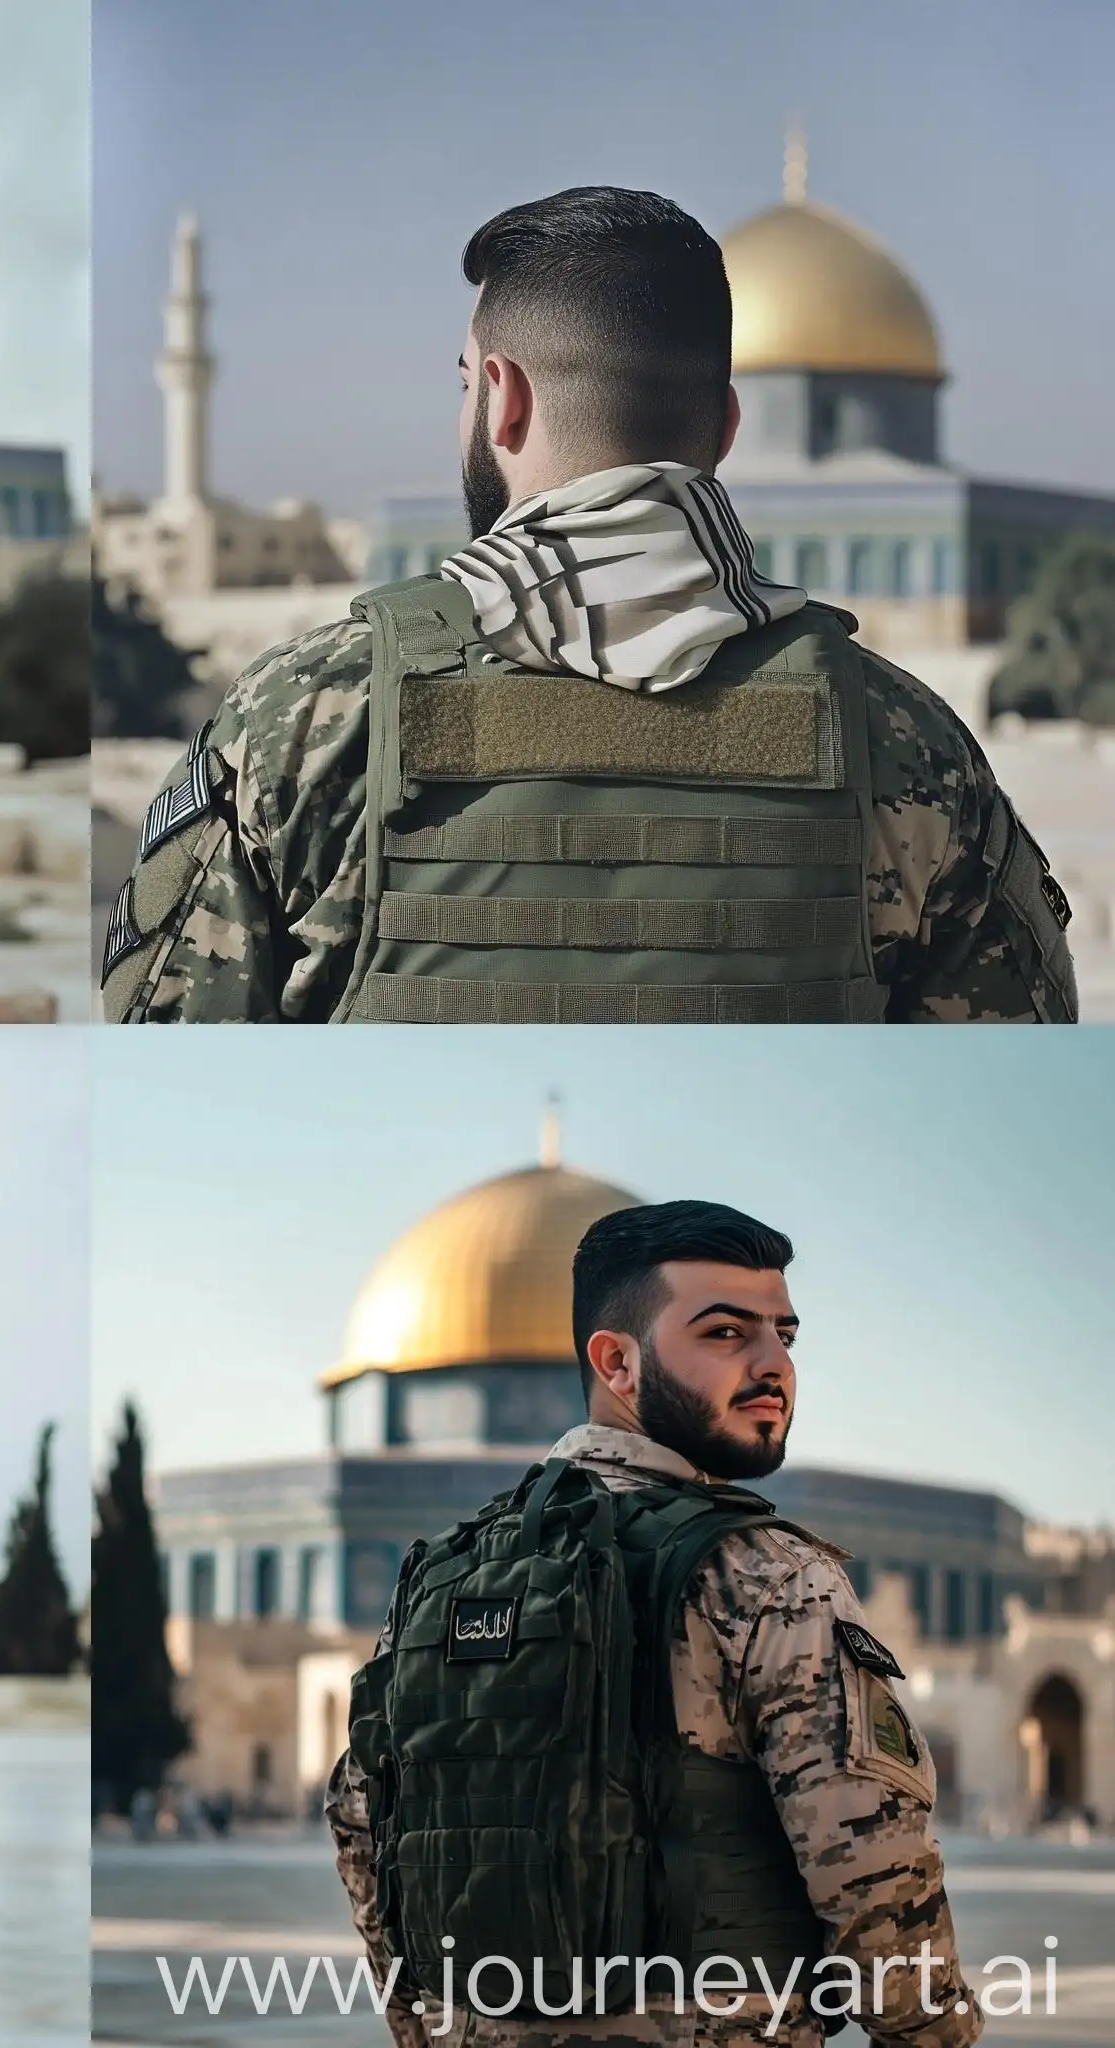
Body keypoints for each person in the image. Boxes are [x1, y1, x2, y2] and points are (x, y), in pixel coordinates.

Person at [103, 187, 1076, 1024]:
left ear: (500, 398)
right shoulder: (904, 742)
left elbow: (161, 1023)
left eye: (461, 385)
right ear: (726, 425)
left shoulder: (304, 717)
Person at [330, 1201, 977, 2048]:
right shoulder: (770, 1577)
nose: (773, 1364)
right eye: (724, 1334)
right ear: (617, 1362)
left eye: (785, 1334)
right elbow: (875, 1874)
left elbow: (361, 1825)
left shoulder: (444, 1579)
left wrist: (426, 2030)